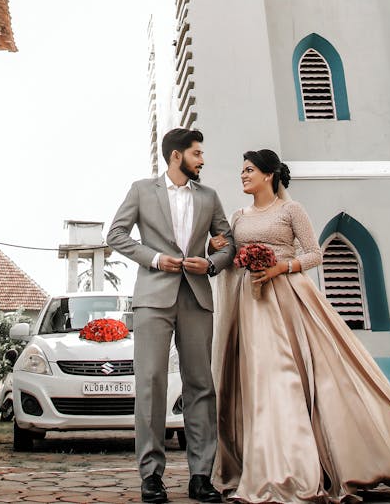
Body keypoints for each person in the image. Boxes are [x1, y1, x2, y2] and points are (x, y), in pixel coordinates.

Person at [209, 149, 390, 504]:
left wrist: (282, 267)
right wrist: (216, 245)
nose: (243, 176)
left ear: (269, 175)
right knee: (256, 381)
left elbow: (315, 253)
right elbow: (230, 255)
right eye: (242, 171)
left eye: (249, 170)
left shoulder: (290, 210)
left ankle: (301, 465)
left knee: (292, 378)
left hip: (288, 300)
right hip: (249, 305)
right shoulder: (238, 216)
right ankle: (262, 463)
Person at [107, 128, 235, 504]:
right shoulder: (142, 190)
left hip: (196, 298)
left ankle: (200, 477)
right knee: (150, 384)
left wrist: (210, 264)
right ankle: (151, 477)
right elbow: (115, 234)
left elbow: (228, 244)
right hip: (152, 299)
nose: (202, 160)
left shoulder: (209, 197)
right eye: (197, 153)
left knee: (200, 385)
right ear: (176, 156)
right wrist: (154, 258)